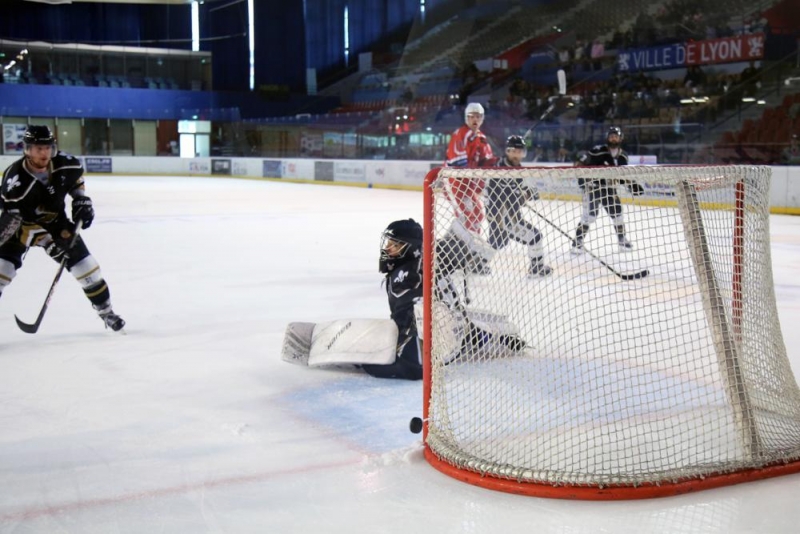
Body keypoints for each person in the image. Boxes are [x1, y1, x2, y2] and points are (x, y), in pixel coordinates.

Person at [0, 125, 125, 331]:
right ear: (27, 149)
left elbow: (75, 181)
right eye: (38, 148)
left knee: (87, 268)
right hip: (19, 226)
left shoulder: (64, 164)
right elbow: (16, 222)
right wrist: (49, 242)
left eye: (48, 147)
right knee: (2, 271)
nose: (44, 153)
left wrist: (81, 199)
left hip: (57, 223)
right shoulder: (16, 181)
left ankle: (107, 313)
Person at [364, 218, 424, 380]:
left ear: (411, 249)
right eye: (388, 243)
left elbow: (417, 315)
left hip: (439, 341)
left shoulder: (408, 274)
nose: (387, 249)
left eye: (395, 245)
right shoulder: (413, 266)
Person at [485, 135, 552, 277]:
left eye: (520, 151)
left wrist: (527, 194)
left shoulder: (519, 171)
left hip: (508, 216)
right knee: (535, 237)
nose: (517, 155)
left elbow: (527, 193)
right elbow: (501, 194)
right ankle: (536, 268)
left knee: (498, 242)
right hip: (503, 218)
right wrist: (520, 196)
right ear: (507, 151)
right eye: (514, 151)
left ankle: (478, 262)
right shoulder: (498, 168)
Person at [571, 126, 643, 253]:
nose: (613, 138)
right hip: (592, 188)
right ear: (607, 138)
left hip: (609, 189)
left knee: (618, 215)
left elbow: (621, 175)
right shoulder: (597, 151)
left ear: (621, 138)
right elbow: (579, 164)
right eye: (611, 136)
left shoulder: (623, 156)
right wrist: (581, 178)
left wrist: (631, 185)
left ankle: (622, 240)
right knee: (589, 216)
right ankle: (577, 242)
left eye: (616, 136)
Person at [444, 102, 495, 273]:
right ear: (466, 118)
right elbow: (458, 163)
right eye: (472, 116)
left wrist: (497, 162)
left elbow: (487, 161)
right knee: (466, 215)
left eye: (478, 116)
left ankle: (458, 250)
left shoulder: (481, 137)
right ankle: (465, 253)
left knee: (477, 214)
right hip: (455, 182)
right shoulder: (461, 134)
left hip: (468, 185)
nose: (475, 119)